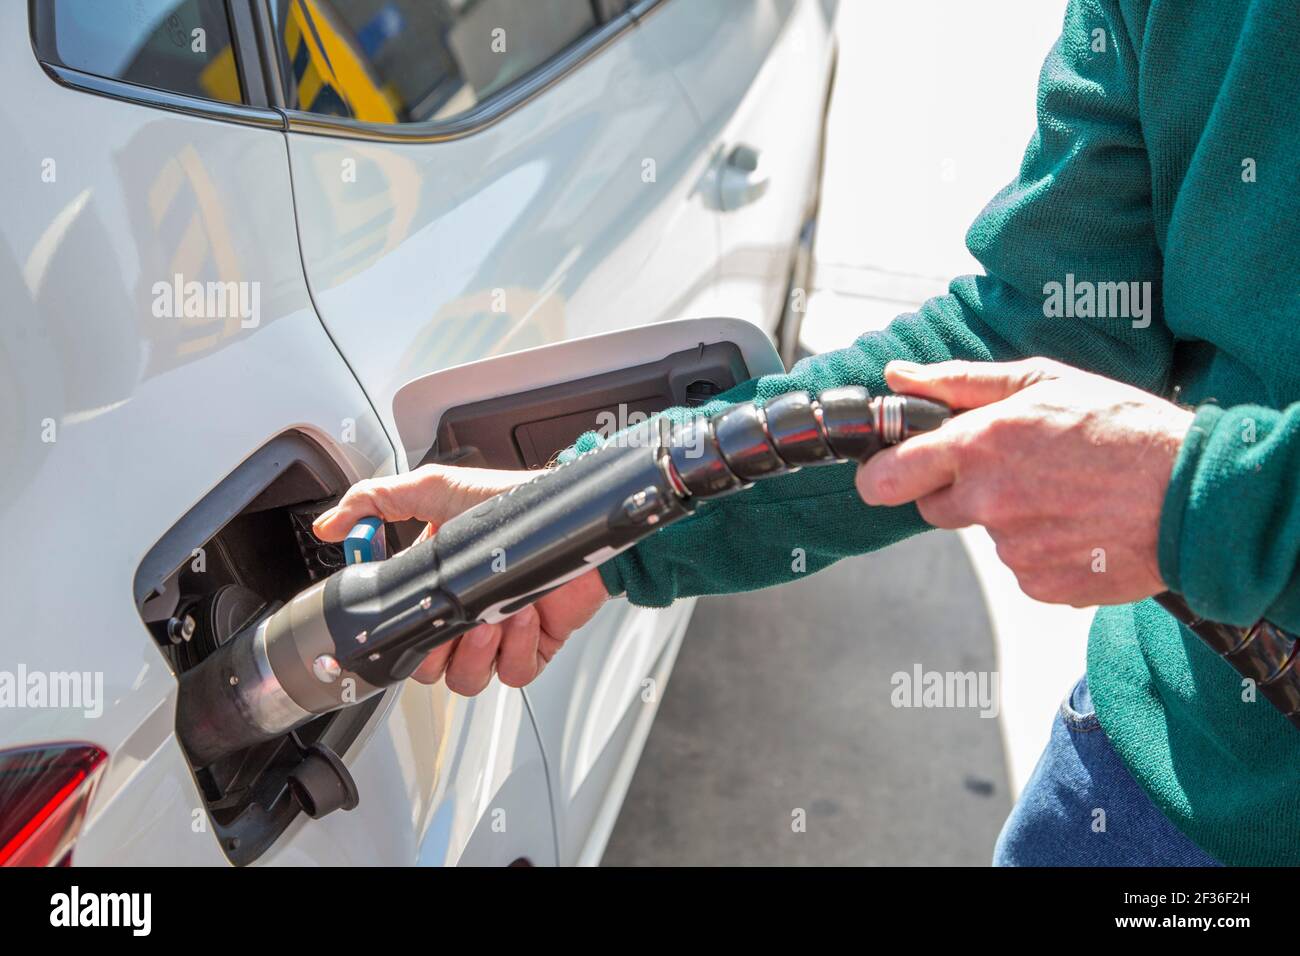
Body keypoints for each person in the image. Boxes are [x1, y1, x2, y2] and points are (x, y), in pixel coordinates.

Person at [312, 0, 1300, 866]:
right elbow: (1041, 331)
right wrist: (588, 514)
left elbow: (1185, 480)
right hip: (1161, 778)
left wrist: (1213, 500)